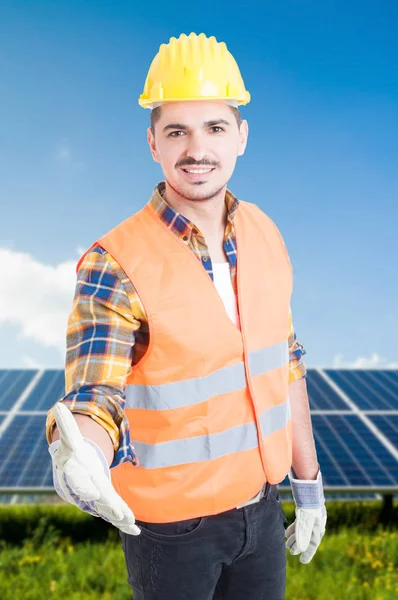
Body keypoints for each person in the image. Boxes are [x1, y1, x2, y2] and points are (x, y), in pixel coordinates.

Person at [46, 31, 327, 600]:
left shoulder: (265, 234)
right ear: (153, 142)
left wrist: (309, 483)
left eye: (215, 128)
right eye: (177, 131)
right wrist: (83, 456)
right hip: (172, 533)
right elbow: (95, 394)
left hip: (263, 512)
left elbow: (286, 365)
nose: (197, 149)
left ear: (242, 137)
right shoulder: (115, 261)